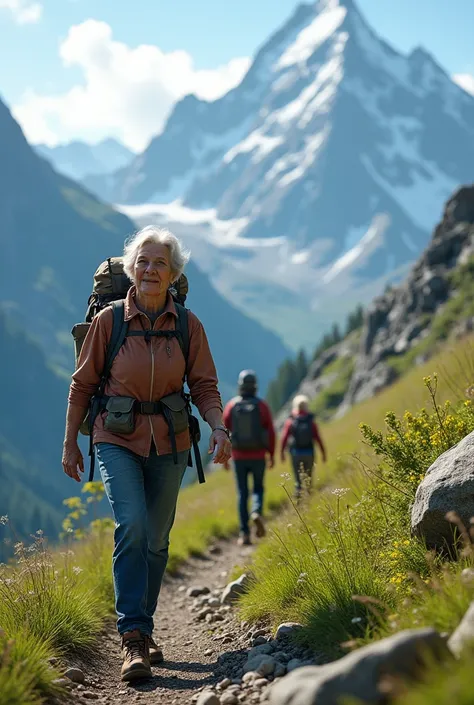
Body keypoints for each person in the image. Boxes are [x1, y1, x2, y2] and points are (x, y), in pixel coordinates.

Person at [62, 226, 232, 682]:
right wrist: (70, 443)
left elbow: (204, 385)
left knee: (156, 539)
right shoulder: (110, 322)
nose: (150, 270)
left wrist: (218, 428)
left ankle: (145, 625)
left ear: (173, 273)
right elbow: (81, 385)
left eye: (160, 263)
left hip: (172, 441)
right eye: (143, 262)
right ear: (131, 270)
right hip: (115, 438)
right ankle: (132, 637)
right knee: (132, 524)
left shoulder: (188, 325)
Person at [223, 370, 275, 546]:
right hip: (259, 455)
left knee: (242, 493)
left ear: (240, 386)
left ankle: (244, 534)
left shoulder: (231, 406)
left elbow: (224, 432)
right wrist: (272, 454)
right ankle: (256, 511)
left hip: (238, 456)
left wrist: (224, 459)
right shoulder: (262, 406)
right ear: (255, 387)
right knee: (258, 489)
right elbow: (271, 432)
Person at [280, 394, 326, 496]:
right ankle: (309, 499)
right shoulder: (310, 420)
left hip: (295, 454)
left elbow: (284, 438)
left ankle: (299, 501)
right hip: (309, 453)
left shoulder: (291, 421)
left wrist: (282, 453)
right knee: (308, 479)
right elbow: (318, 438)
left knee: (298, 480)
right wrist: (323, 453)